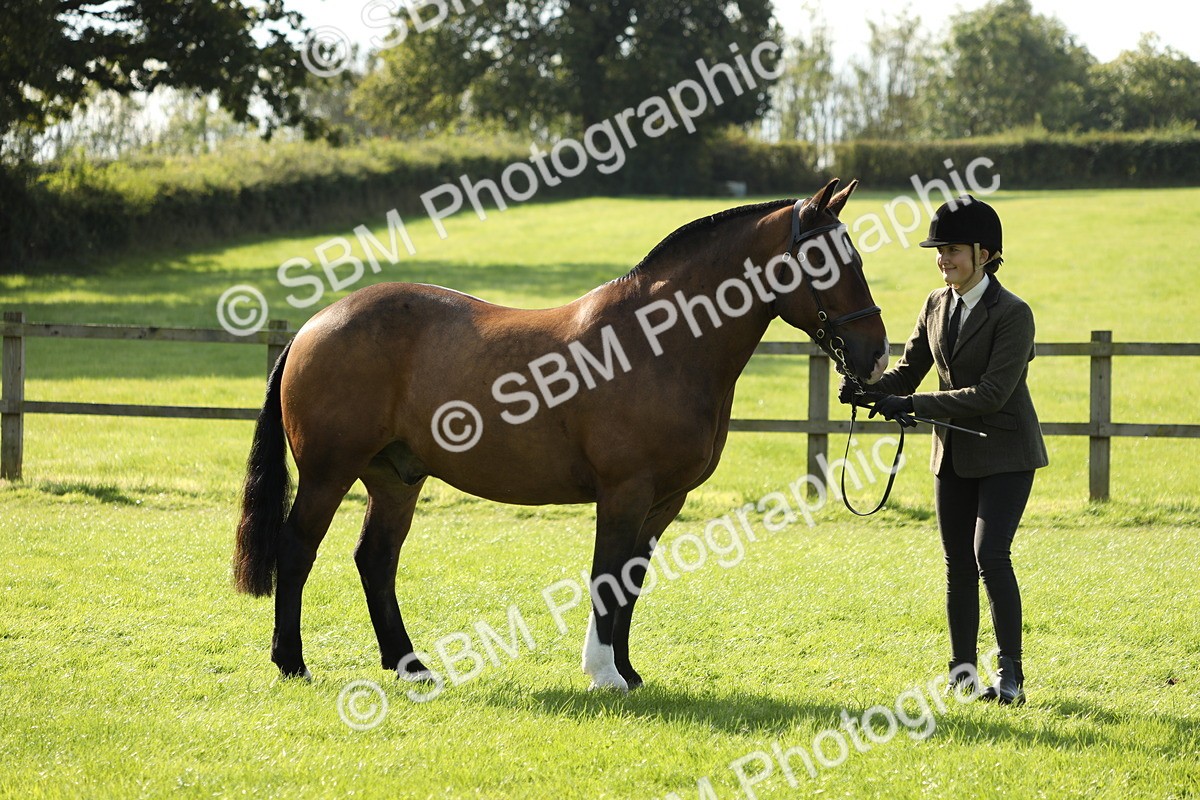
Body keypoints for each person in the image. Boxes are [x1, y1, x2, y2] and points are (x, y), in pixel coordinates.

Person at [840, 195, 1048, 705]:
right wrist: (868, 389)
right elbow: (910, 370)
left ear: (985, 254)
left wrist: (908, 402)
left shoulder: (1014, 314)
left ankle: (1011, 677)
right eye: (939, 250)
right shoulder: (936, 303)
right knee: (957, 563)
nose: (942, 259)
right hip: (952, 452)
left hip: (1006, 453)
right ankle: (962, 673)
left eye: (952, 249)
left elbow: (991, 394)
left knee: (989, 556)